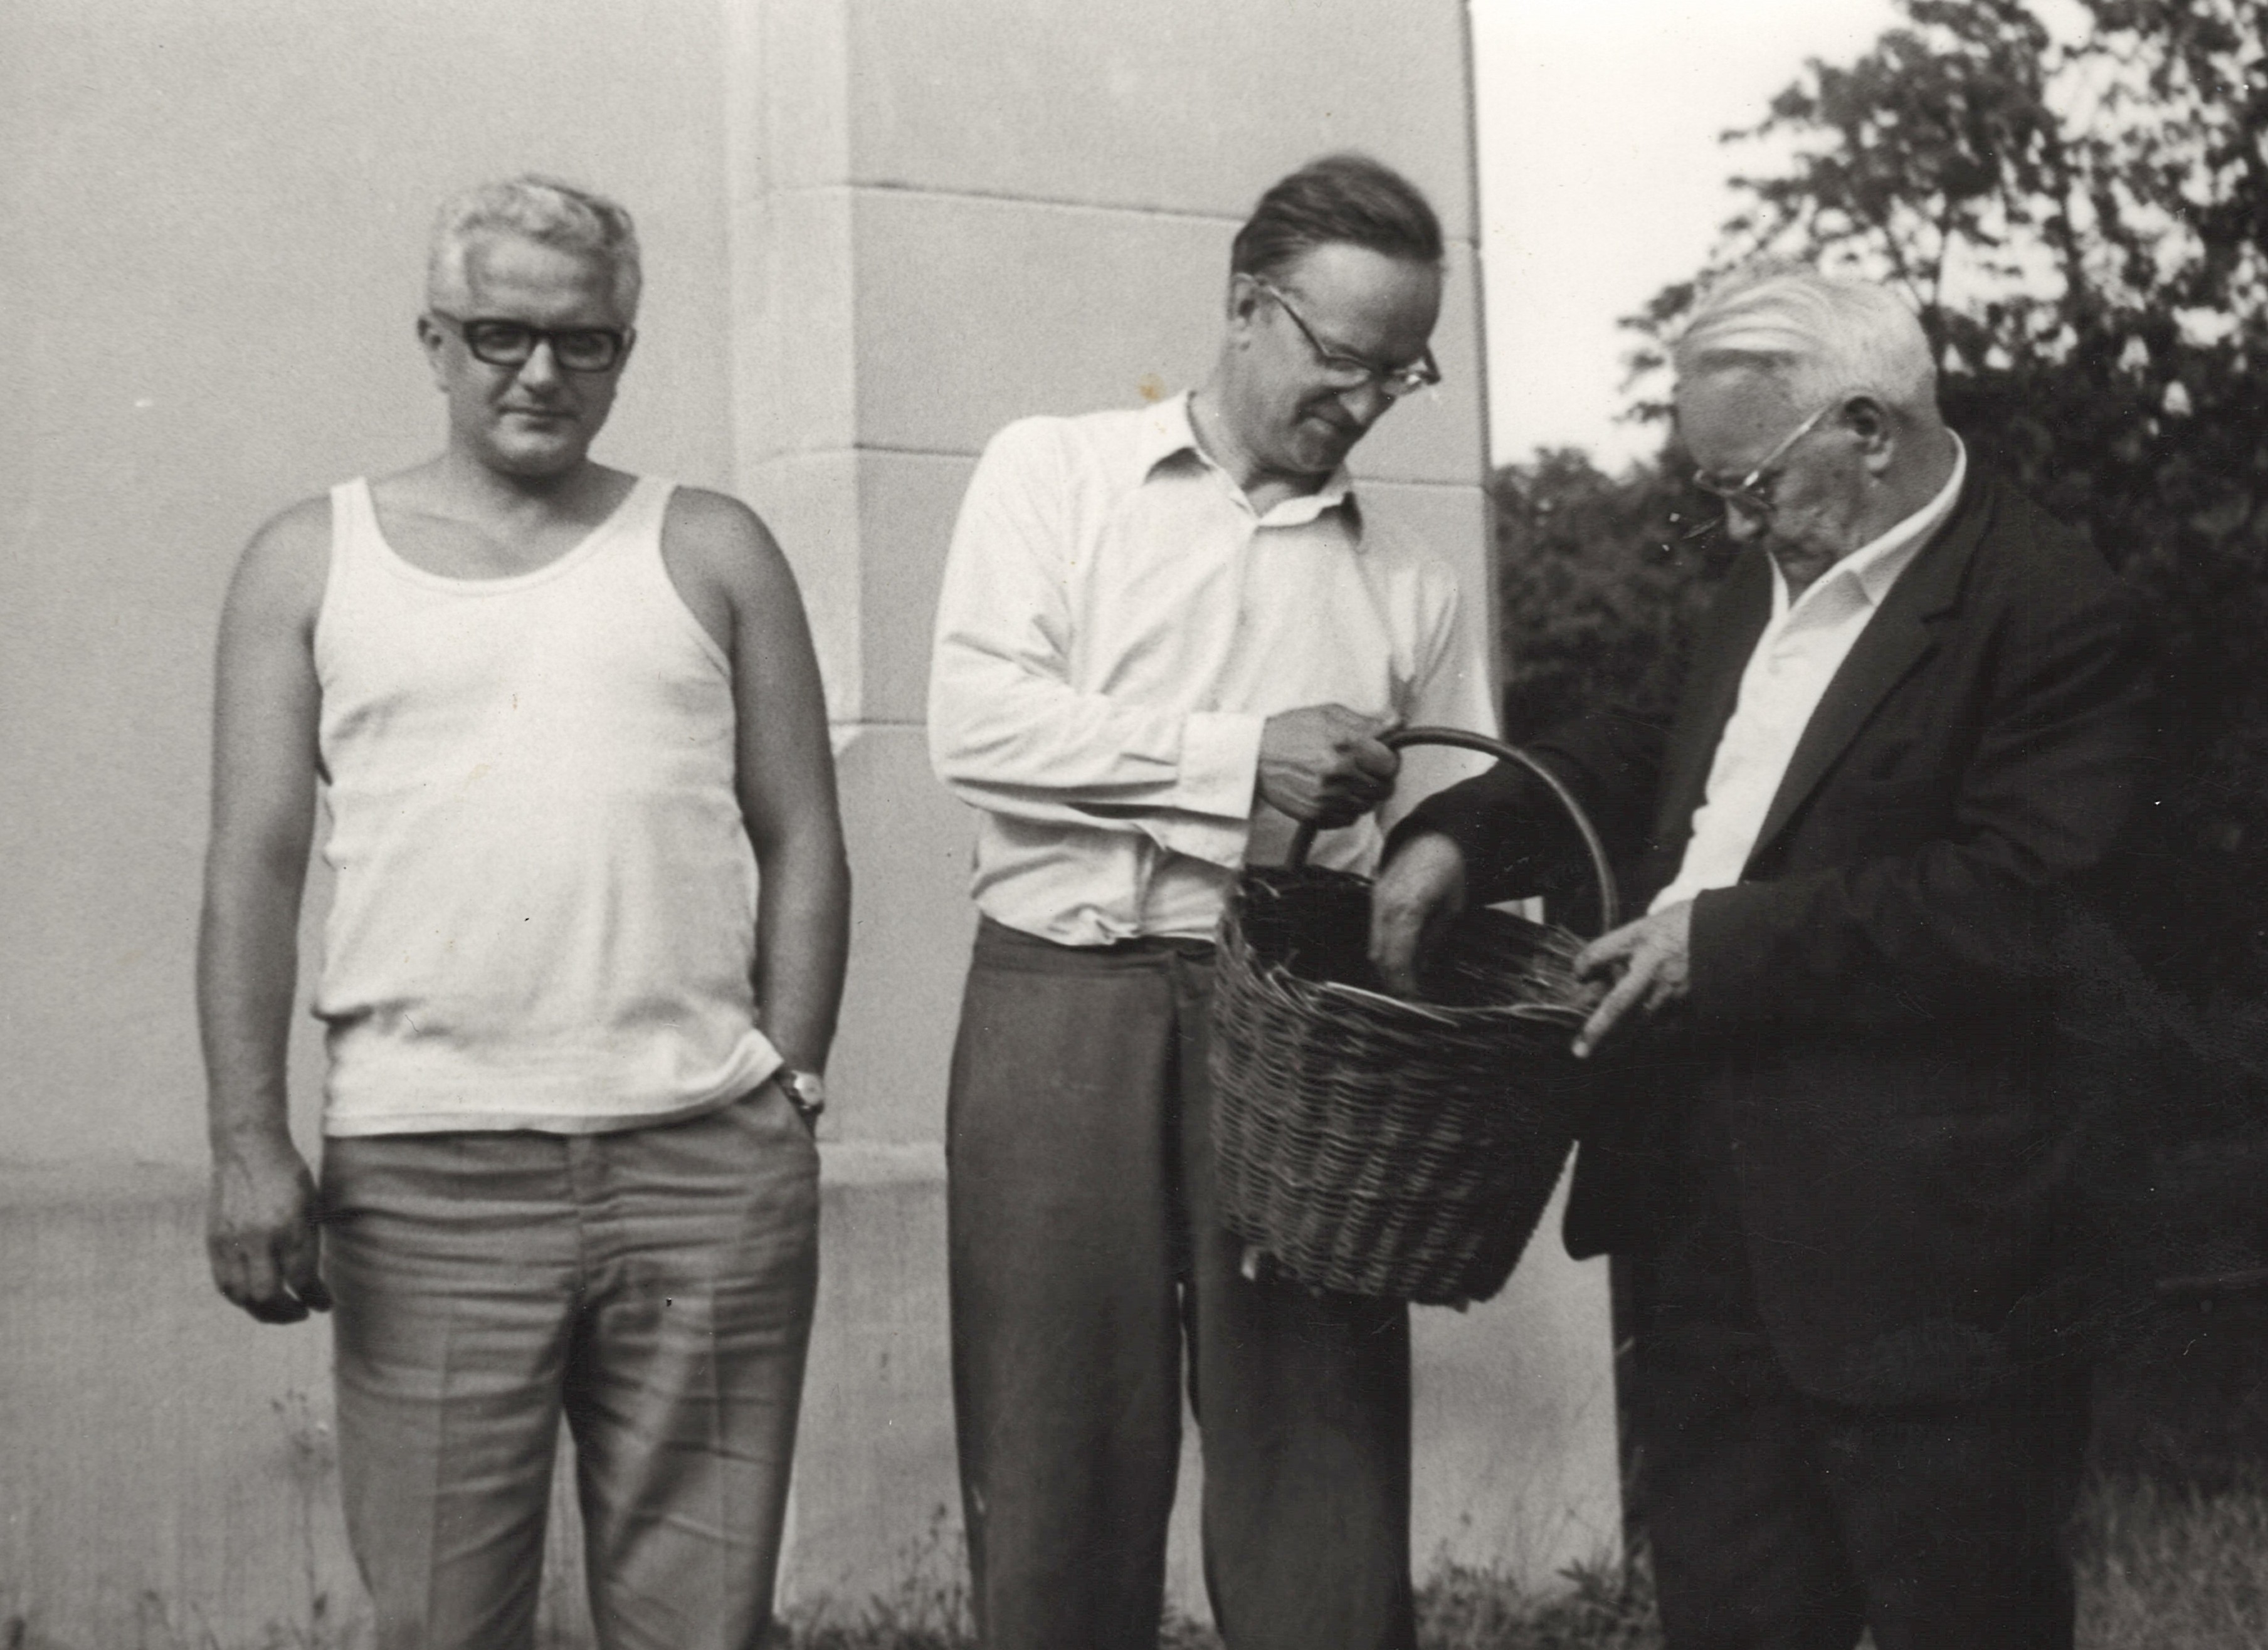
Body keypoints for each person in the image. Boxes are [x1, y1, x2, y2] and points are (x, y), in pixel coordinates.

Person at [1372, 268, 2153, 1650]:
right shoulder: (1771, 574)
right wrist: (1461, 834)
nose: (1735, 521)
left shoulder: (2052, 606)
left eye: (1752, 485)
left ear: (1868, 427)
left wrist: (1715, 945)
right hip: (1701, 1212)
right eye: (1716, 489)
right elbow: (1640, 743)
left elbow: (2021, 901)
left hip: (1931, 1264)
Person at [196, 176, 850, 1650]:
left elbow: (804, 835)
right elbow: (254, 864)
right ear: (433, 340)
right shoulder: (311, 558)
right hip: (428, 1176)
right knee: (445, 1618)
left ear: (625, 348)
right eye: (501, 334)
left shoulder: (714, 548)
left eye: (584, 340)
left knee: (702, 1626)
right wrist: (248, 1140)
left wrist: (792, 1088)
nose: (542, 371)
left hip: (703, 1170)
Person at [926, 153, 1497, 1650]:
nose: (1367, 401)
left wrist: (1440, 856)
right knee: (1052, 1472)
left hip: (1303, 1047)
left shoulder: (1414, 583)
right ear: (1248, 306)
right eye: (1344, 356)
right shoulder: (1054, 473)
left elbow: (1455, 818)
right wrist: (1244, 758)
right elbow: (978, 726)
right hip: (1060, 1006)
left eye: (1403, 371)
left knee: (1322, 1470)